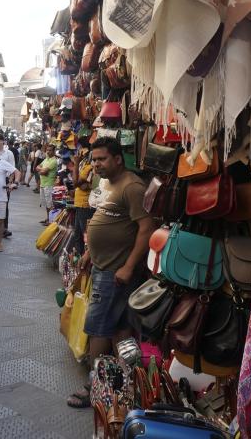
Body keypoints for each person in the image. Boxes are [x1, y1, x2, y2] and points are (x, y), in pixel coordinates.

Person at [66, 137, 154, 409]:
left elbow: (146, 229)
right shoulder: (109, 184)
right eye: (93, 160)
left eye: (101, 159)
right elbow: (105, 221)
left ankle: (95, 385)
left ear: (118, 159)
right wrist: (90, 252)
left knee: (97, 328)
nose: (96, 164)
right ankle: (124, 384)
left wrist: (128, 266)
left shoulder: (132, 187)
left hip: (116, 271)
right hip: (104, 266)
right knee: (119, 328)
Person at [70, 141, 94, 256]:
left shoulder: (89, 166)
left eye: (81, 149)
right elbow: (79, 184)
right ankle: (79, 261)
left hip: (85, 205)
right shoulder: (84, 164)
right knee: (78, 236)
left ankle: (84, 262)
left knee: (84, 236)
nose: (79, 152)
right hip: (80, 204)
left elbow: (75, 182)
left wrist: (75, 163)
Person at [36, 144, 58, 223]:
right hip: (43, 184)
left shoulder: (53, 161)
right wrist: (42, 170)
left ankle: (51, 221)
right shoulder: (46, 159)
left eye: (50, 150)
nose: (48, 152)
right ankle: (48, 218)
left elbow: (43, 171)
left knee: (50, 204)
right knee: (45, 204)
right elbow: (37, 167)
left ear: (54, 151)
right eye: (47, 150)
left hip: (49, 185)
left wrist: (41, 171)